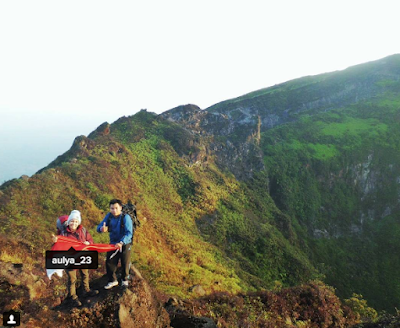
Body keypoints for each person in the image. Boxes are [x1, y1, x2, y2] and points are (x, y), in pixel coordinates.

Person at [52, 210, 99, 306]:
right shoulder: (64, 233)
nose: (74, 223)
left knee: (85, 273)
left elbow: (90, 240)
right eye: (72, 221)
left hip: (82, 256)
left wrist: (88, 243)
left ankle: (86, 290)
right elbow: (57, 246)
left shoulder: (83, 230)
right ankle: (72, 297)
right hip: (70, 258)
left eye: (76, 221)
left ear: (79, 222)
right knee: (72, 278)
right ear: (68, 222)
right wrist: (56, 241)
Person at [97, 199, 133, 289]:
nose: (114, 210)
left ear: (120, 208)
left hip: (125, 243)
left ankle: (124, 280)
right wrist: (102, 229)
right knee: (110, 261)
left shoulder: (125, 217)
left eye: (116, 208)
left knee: (125, 262)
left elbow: (129, 233)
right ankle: (113, 280)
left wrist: (122, 242)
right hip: (113, 243)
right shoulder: (109, 216)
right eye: (112, 208)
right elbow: (99, 227)